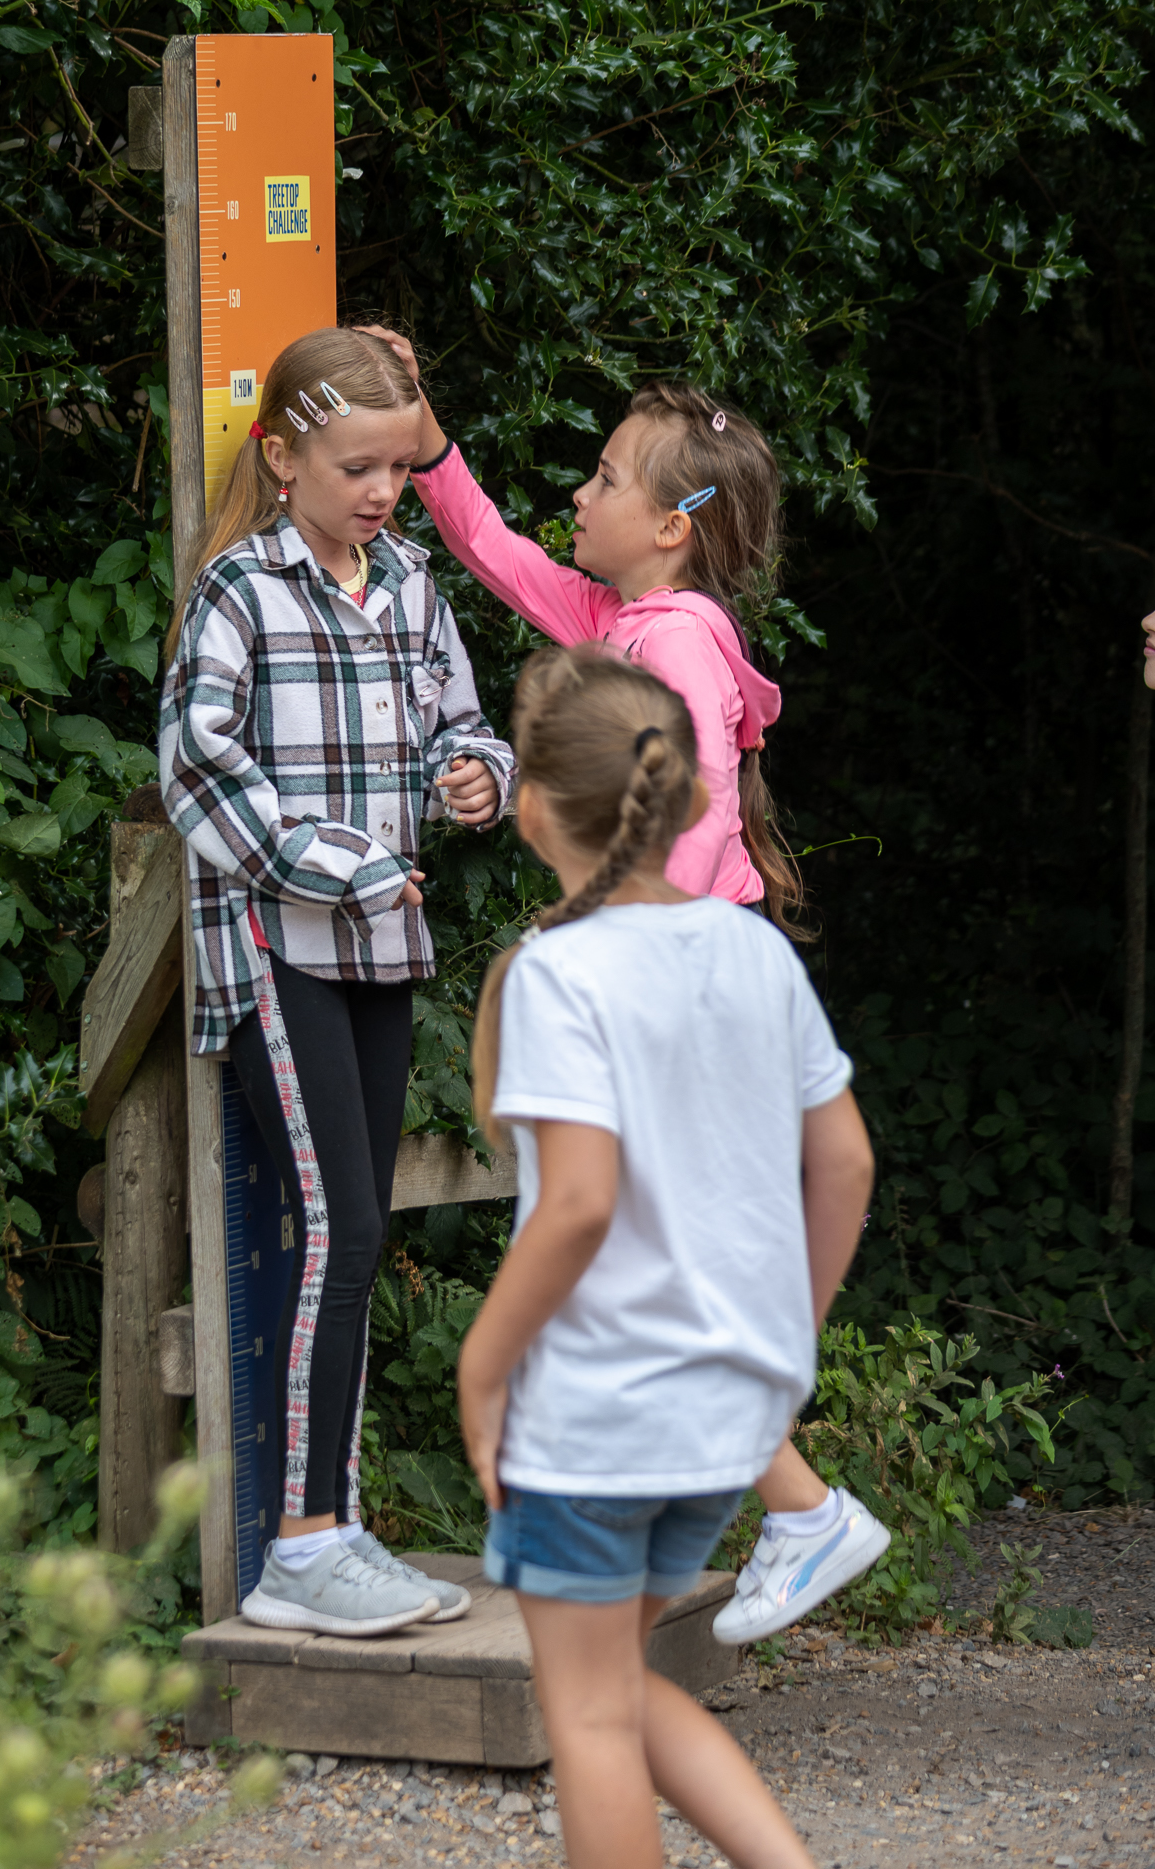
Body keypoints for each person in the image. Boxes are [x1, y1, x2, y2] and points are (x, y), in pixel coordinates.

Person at [360, 324, 888, 1640]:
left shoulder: (682, 644)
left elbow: (696, 817)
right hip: (679, 983)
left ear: (669, 526)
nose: (579, 498)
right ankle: (749, 1510)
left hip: (684, 999)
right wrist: (429, 453)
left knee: (634, 1257)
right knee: (646, 1263)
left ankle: (789, 1513)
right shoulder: (632, 616)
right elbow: (501, 558)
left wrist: (609, 924)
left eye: (602, 478)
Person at [457, 646, 877, 1869]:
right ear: (690, 797)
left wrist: (483, 1367)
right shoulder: (755, 951)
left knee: (583, 1710)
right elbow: (844, 1163)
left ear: (533, 806)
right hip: (728, 1412)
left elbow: (578, 1203)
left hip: (600, 1411)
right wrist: (785, 1336)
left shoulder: (557, 970)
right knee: (620, 1688)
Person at [160, 327, 515, 1638]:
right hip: (275, 950)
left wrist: (479, 780)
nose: (378, 489)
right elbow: (196, 770)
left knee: (355, 1235)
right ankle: (303, 1547)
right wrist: (336, 865)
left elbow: (455, 732)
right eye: (353, 465)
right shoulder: (239, 592)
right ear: (283, 457)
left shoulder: (411, 584)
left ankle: (336, 1528)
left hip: (384, 951)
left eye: (396, 467)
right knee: (344, 1230)